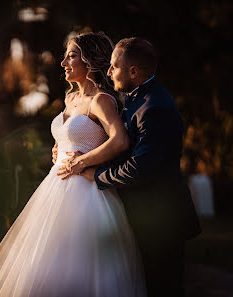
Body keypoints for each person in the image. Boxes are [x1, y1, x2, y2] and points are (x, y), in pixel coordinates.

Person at [0, 32, 146, 297]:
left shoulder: (101, 100)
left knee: (78, 265)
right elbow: (75, 134)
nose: (63, 63)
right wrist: (60, 146)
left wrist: (80, 162)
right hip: (54, 188)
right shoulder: (70, 99)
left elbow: (119, 141)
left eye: (71, 56)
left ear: (90, 61)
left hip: (87, 195)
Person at [58, 37, 201, 297]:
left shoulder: (154, 107)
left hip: (161, 219)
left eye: (114, 66)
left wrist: (95, 174)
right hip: (142, 214)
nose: (109, 71)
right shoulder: (136, 99)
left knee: (162, 288)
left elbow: (140, 167)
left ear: (133, 71)